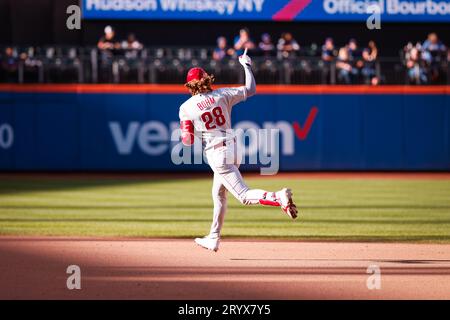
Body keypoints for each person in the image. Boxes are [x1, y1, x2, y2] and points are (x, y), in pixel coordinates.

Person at [178, 49, 298, 252]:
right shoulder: (222, 94)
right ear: (207, 80)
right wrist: (246, 66)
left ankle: (278, 197)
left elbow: (188, 141)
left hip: (218, 154)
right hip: (234, 149)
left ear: (190, 86)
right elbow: (250, 89)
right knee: (218, 194)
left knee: (243, 195)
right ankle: (213, 237)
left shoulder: (186, 107)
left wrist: (192, 132)